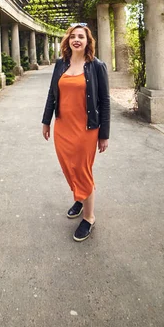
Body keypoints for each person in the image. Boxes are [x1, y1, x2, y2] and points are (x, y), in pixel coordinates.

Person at [42, 23, 110, 242]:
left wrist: (104, 134)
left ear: (87, 41)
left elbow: (105, 102)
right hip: (63, 126)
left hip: (86, 129)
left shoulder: (96, 66)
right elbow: (52, 94)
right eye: (73, 36)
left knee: (82, 169)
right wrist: (46, 121)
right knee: (69, 167)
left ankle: (89, 218)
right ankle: (80, 199)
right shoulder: (61, 64)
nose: (76, 40)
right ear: (68, 41)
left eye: (81, 36)